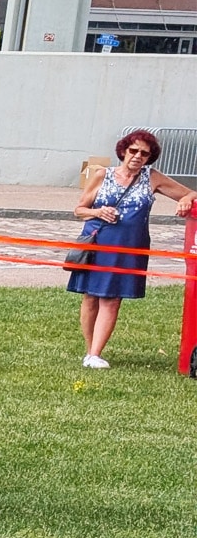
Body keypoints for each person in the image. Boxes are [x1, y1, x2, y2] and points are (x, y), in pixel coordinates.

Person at [67, 130, 195, 368]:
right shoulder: (102, 175)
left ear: (149, 158)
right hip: (98, 241)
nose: (137, 157)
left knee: (112, 299)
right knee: (90, 296)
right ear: (123, 151)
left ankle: (96, 353)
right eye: (133, 151)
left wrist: (186, 199)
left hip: (129, 245)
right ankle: (89, 350)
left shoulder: (152, 177)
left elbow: (189, 192)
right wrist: (98, 211)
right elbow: (79, 209)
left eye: (144, 154)